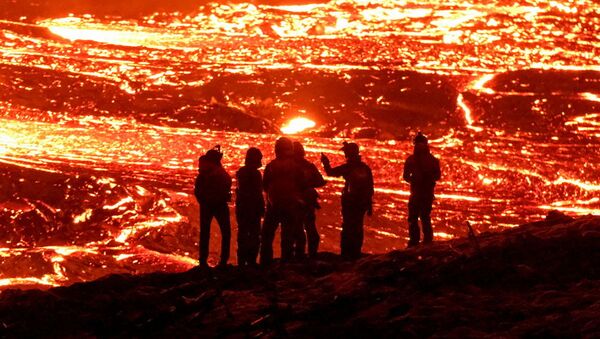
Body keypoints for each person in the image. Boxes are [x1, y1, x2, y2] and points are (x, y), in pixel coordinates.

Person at [321, 142, 373, 260]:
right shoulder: (365, 168)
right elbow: (370, 187)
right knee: (358, 227)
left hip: (350, 202)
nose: (344, 154)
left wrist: (325, 162)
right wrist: (369, 205)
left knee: (348, 227)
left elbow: (330, 172)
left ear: (349, 153)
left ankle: (346, 253)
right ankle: (356, 252)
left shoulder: (348, 168)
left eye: (345, 152)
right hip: (362, 203)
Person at [260, 137, 306, 265]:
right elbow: (302, 185)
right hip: (290, 206)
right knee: (287, 237)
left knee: (267, 236)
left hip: (273, 205)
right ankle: (286, 263)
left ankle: (265, 263)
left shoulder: (271, 166)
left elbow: (264, 185)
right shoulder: (296, 167)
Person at [194, 146, 232, 268]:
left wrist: (203, 201)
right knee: (226, 233)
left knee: (205, 233)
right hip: (219, 205)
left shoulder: (203, 174)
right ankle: (223, 261)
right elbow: (226, 186)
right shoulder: (220, 173)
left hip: (206, 205)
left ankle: (203, 261)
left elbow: (197, 190)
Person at [402, 132, 441, 247]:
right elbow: (437, 176)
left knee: (414, 217)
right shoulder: (433, 160)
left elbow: (405, 176)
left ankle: (415, 241)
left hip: (417, 193)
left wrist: (414, 181)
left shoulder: (411, 160)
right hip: (426, 193)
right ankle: (427, 241)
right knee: (424, 217)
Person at [293, 141, 326, 258]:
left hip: (295, 202)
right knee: (310, 229)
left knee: (297, 230)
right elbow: (321, 181)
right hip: (308, 201)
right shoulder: (309, 166)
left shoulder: (290, 167)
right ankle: (312, 255)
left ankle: (298, 256)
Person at [235, 147, 264, 267]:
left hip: (243, 207)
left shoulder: (241, 172)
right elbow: (257, 193)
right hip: (251, 208)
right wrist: (261, 207)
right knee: (253, 235)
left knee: (243, 234)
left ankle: (242, 261)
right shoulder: (255, 174)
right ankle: (251, 261)